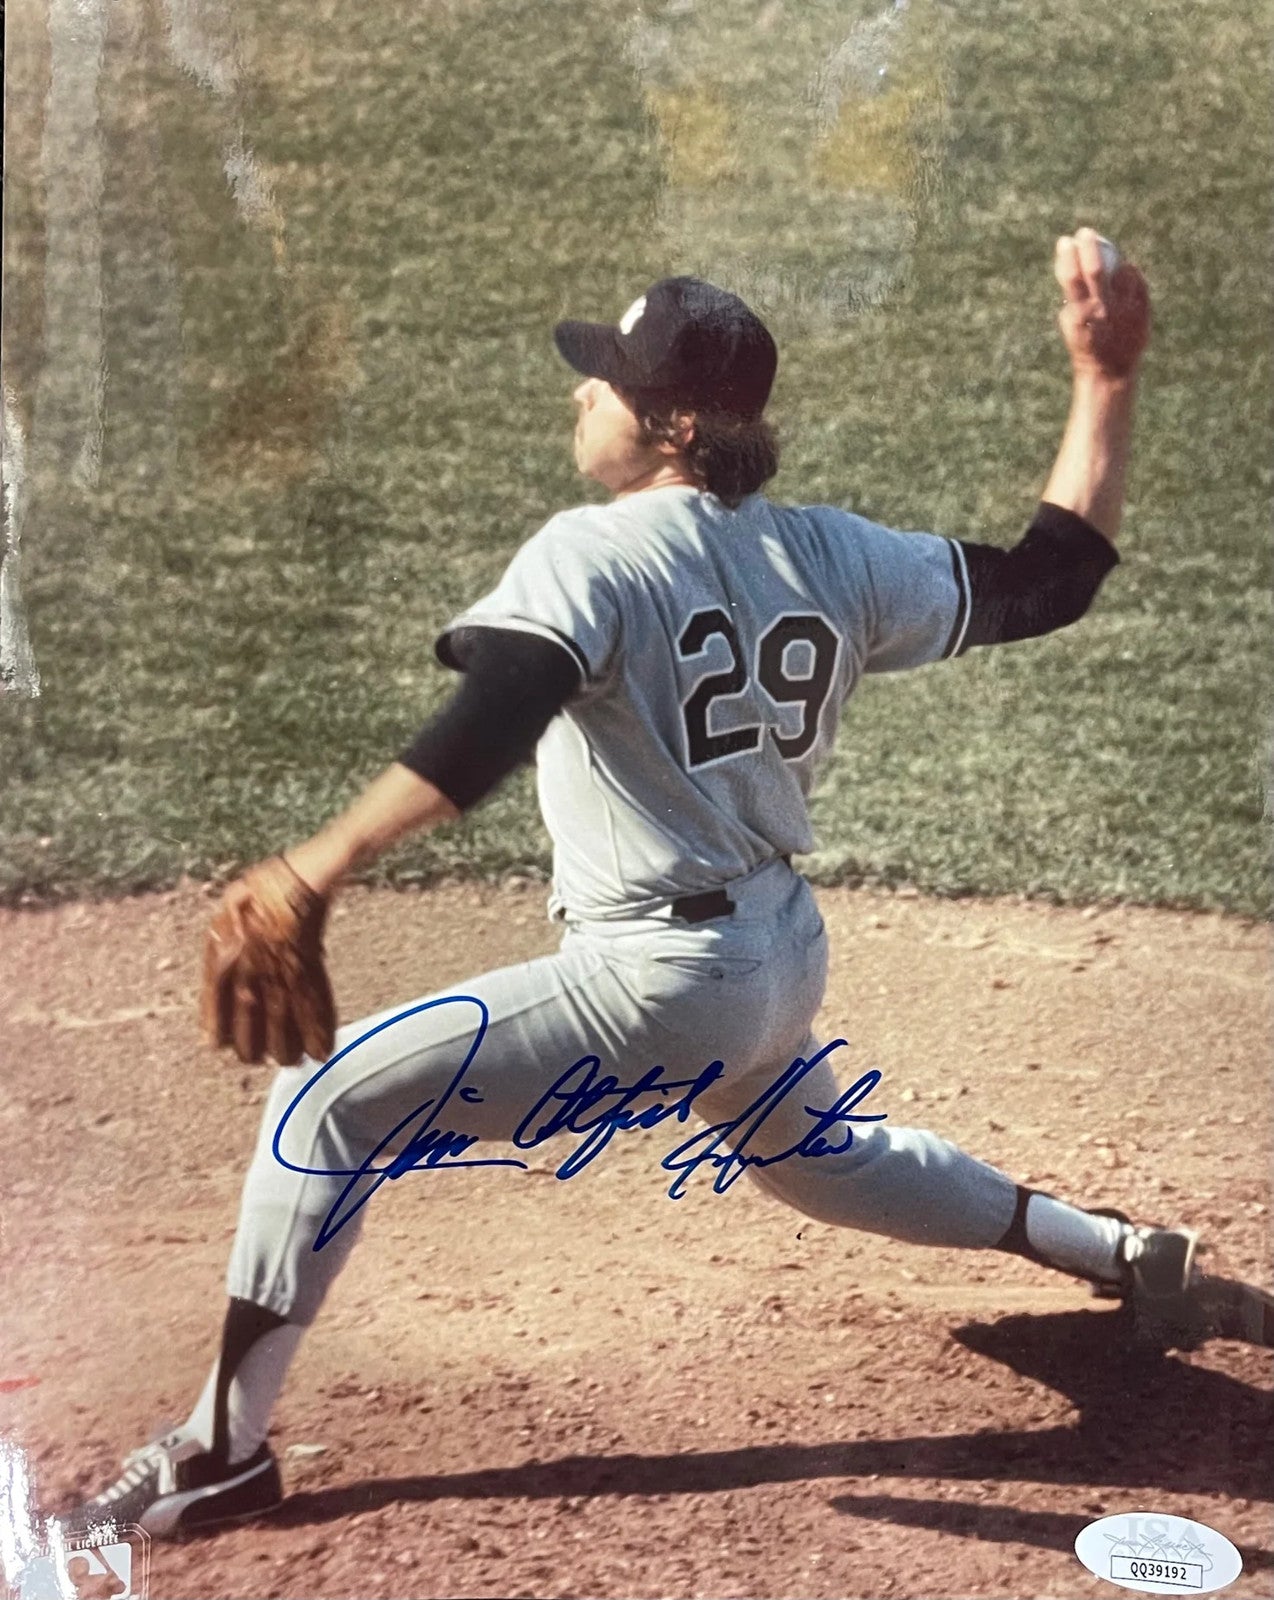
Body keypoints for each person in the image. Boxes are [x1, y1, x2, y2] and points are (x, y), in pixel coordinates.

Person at [61, 229, 1245, 1541]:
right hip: (776, 956)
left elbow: (492, 720)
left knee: (324, 1105)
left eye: (610, 379)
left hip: (657, 983)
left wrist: (313, 867)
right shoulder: (832, 552)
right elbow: (1051, 579)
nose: (584, 392)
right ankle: (1114, 1252)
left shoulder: (594, 552)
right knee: (815, 1155)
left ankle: (216, 1454)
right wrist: (1104, 380)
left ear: (674, 425)